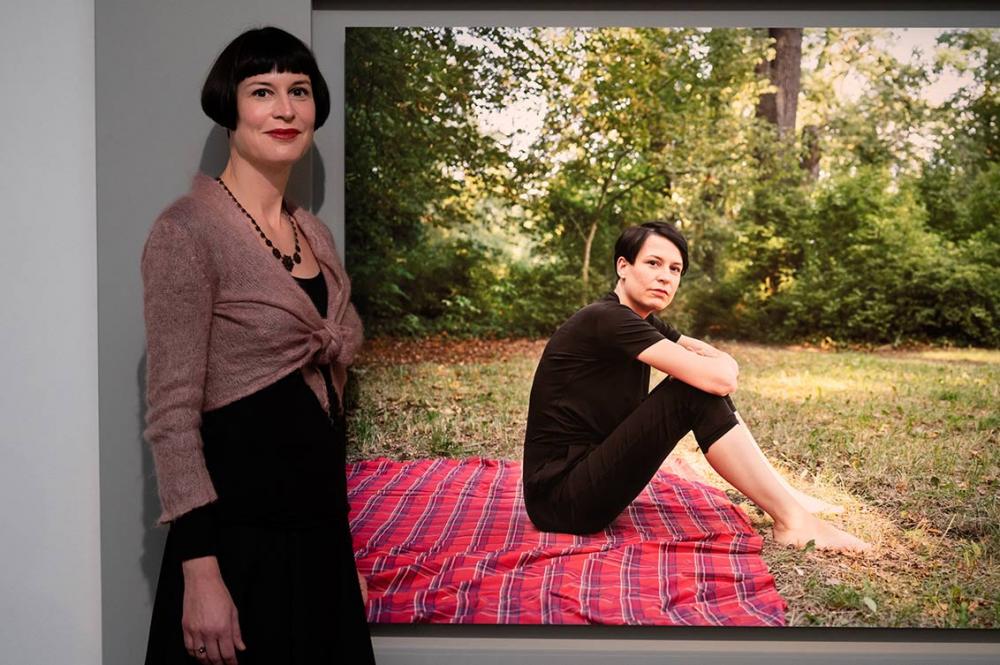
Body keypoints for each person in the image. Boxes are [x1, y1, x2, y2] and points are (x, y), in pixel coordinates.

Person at [141, 27, 375, 664]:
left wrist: (342, 551)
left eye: (299, 91)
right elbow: (170, 417)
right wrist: (201, 571)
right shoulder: (186, 231)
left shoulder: (313, 234)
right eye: (262, 91)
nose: (285, 109)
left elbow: (329, 403)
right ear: (229, 108)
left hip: (318, 534)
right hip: (236, 546)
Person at [522, 221, 870, 553]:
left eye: (675, 270)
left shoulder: (641, 319)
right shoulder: (607, 319)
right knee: (691, 390)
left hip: (588, 480)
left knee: (698, 384)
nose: (665, 276)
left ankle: (784, 497)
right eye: (654, 263)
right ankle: (792, 519)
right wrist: (725, 369)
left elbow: (706, 353)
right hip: (562, 501)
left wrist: (723, 365)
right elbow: (718, 376)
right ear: (623, 266)